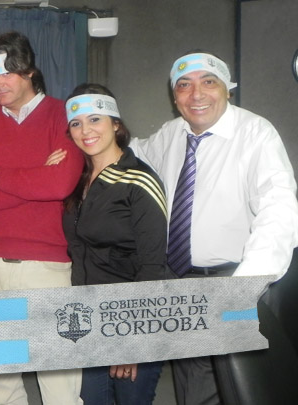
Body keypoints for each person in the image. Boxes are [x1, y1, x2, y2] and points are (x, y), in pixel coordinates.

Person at [131, 51, 298, 404]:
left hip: (230, 280)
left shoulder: (255, 133)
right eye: (184, 85)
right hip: (178, 281)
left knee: (234, 387)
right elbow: (135, 152)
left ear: (227, 90)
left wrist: (241, 291)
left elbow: (279, 210)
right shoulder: (172, 133)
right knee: (190, 382)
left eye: (208, 82)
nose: (196, 94)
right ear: (174, 96)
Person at [0, 31, 85, 405]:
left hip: (47, 266)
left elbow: (59, 184)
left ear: (28, 70)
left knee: (59, 377)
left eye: (6, 73)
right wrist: (35, 177)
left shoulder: (64, 116)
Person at [61, 84, 169, 404]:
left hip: (131, 317)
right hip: (90, 318)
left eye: (95, 119)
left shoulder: (139, 180)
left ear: (116, 124)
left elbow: (153, 266)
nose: (86, 130)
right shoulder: (79, 179)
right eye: (76, 123)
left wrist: (133, 340)